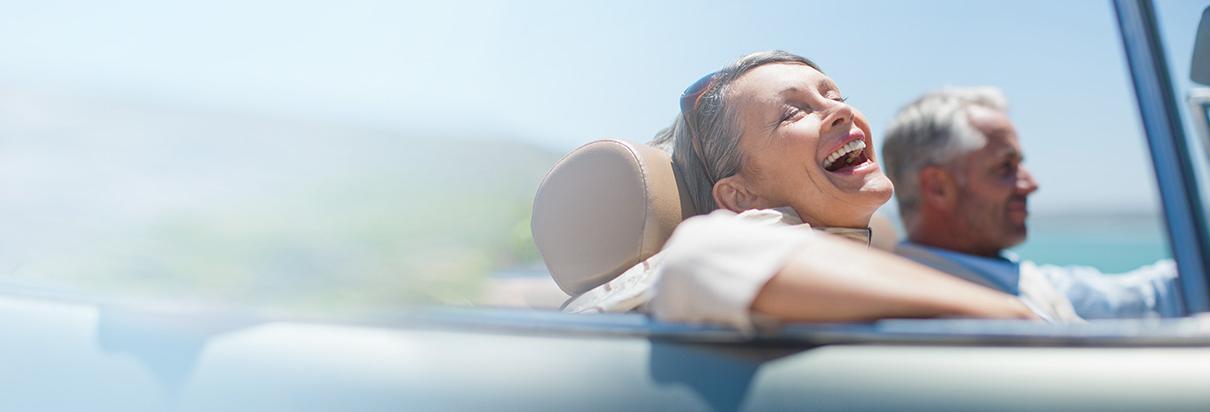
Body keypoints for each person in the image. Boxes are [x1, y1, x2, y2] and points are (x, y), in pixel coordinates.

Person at [561, 51, 1043, 332]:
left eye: (834, 97)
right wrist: (1012, 316)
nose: (840, 113)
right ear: (739, 197)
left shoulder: (824, 267)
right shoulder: (743, 236)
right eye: (792, 113)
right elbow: (702, 255)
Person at [880, 86, 1181, 321]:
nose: (1030, 184)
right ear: (938, 187)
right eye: (1005, 168)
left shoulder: (1017, 277)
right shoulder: (922, 308)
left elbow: (1140, 297)